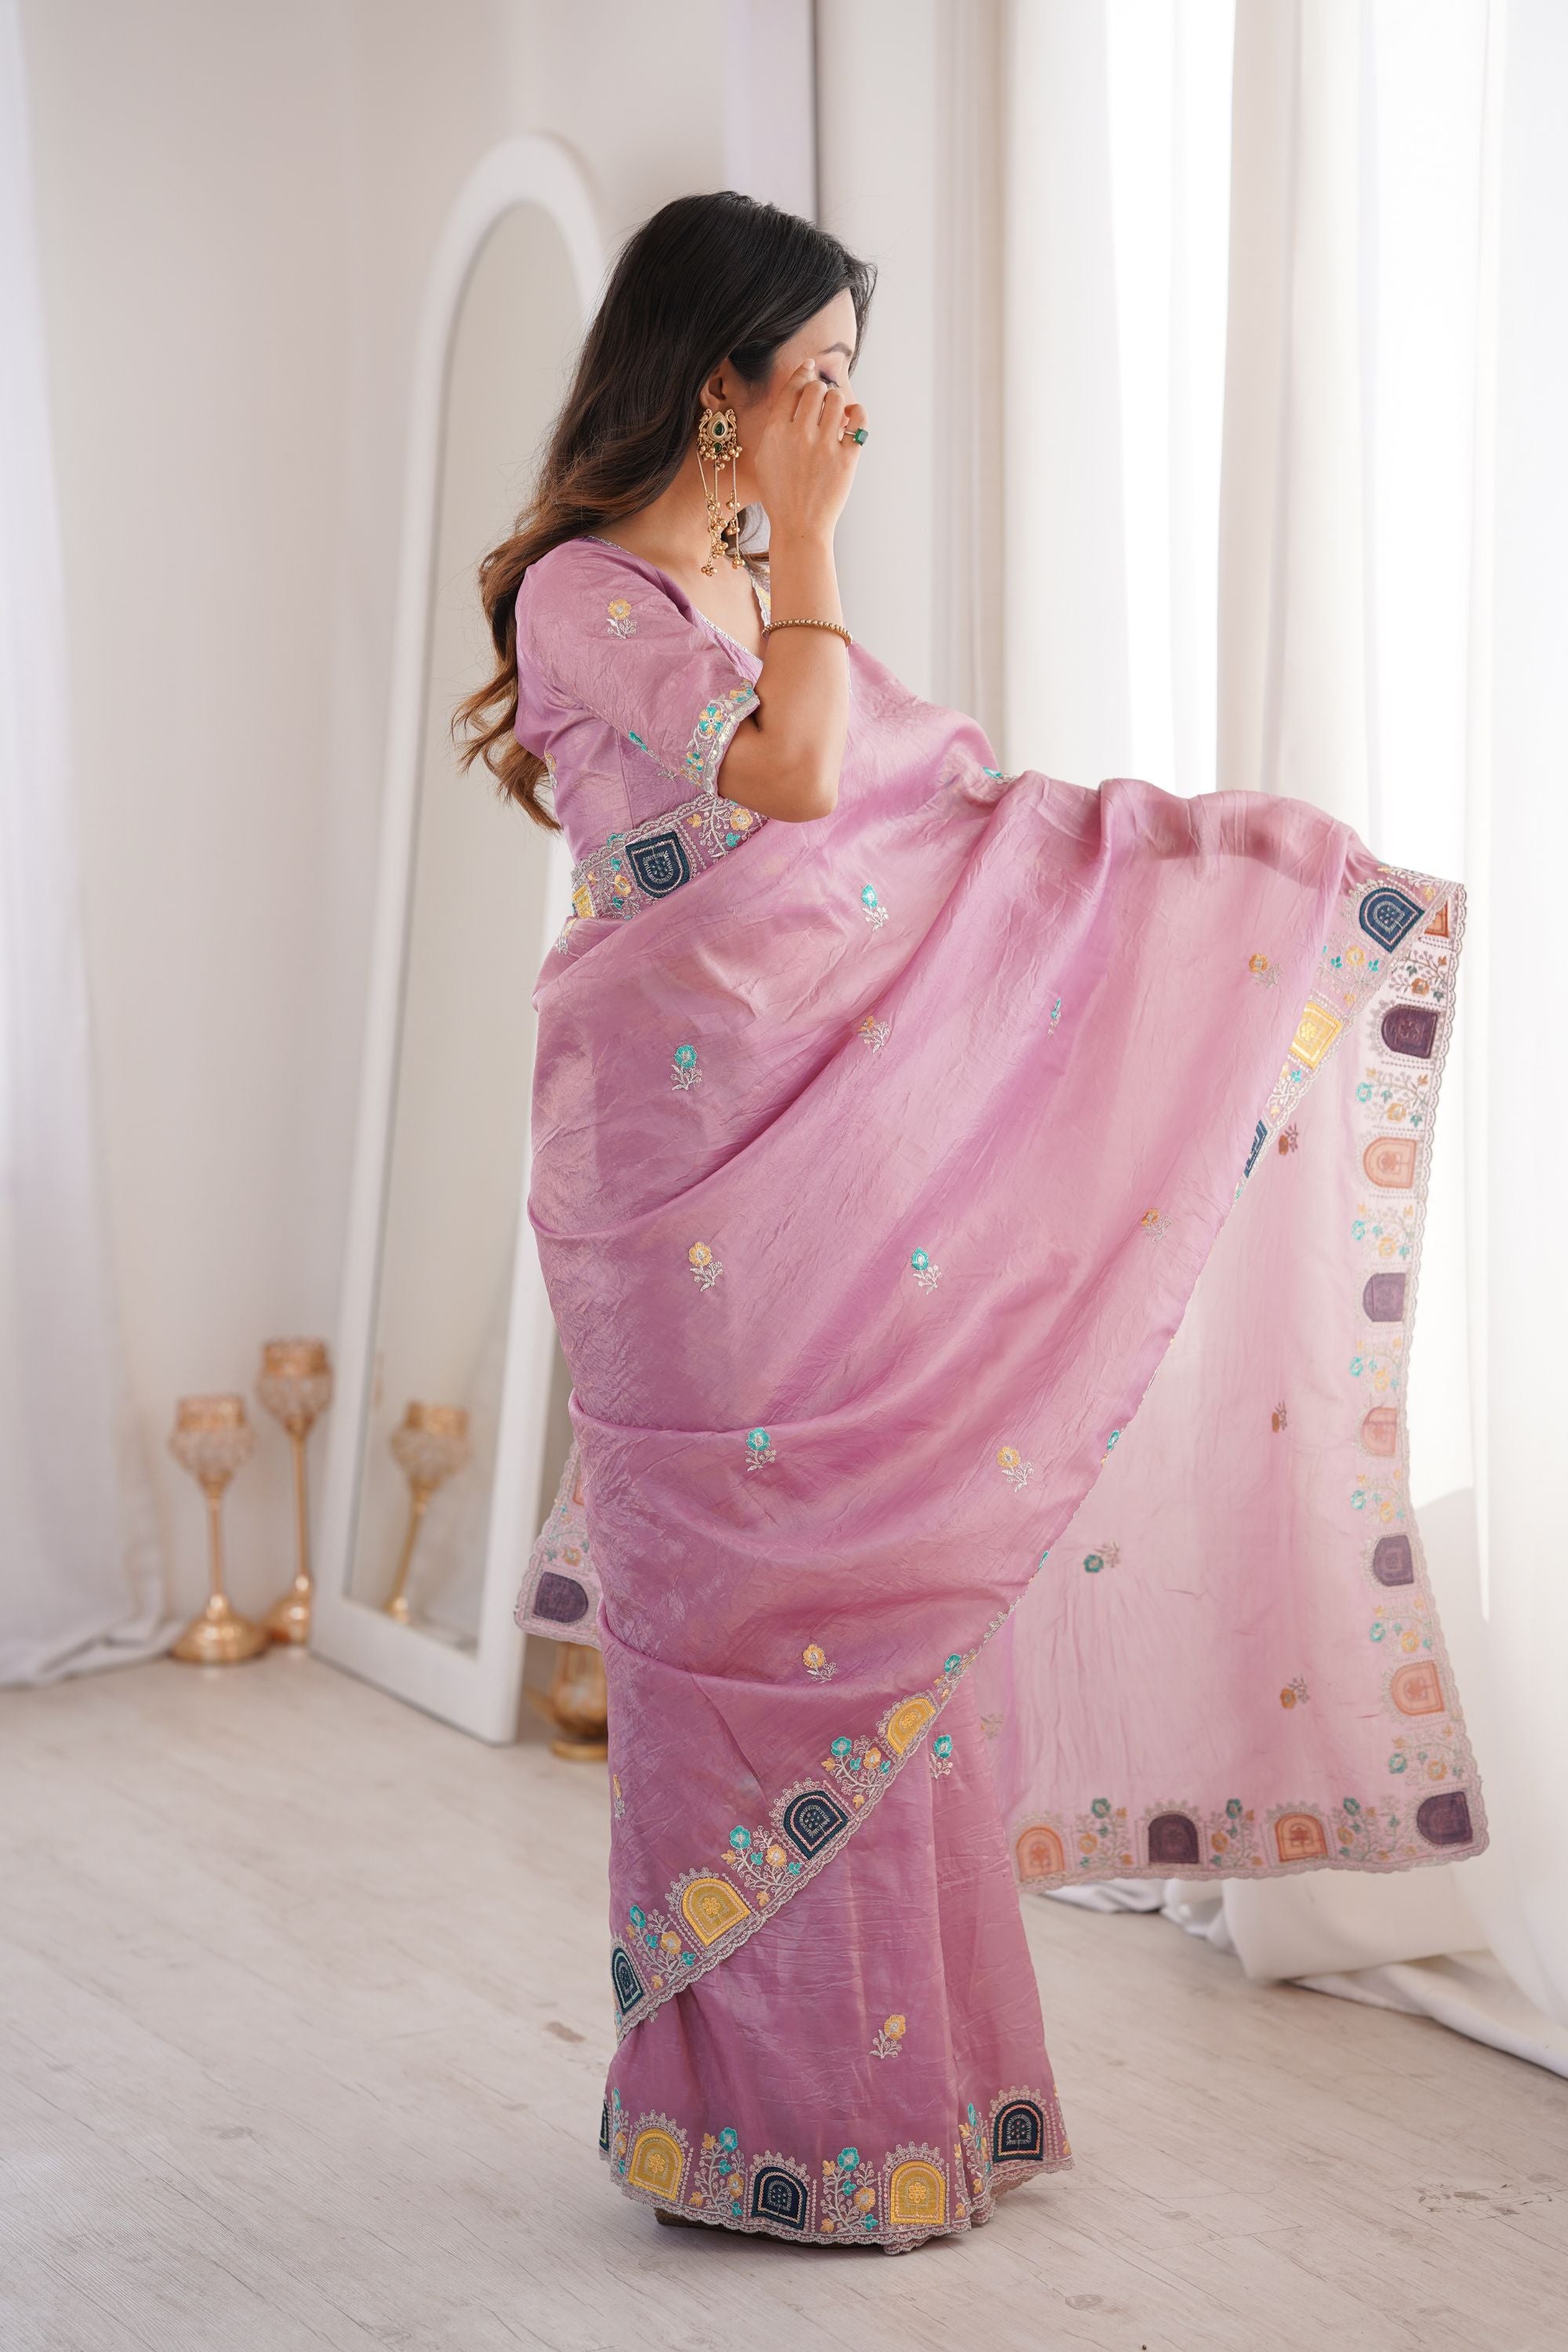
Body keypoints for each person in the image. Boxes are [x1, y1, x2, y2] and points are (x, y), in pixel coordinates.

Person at [459, 191, 1487, 2254]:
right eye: (820, 380)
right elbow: (797, 778)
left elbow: (954, 828)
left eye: (857, 384)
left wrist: (1214, 864)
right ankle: (762, 2133)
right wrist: (810, 543)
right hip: (680, 1193)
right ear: (718, 383)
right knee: (753, 1625)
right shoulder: (591, 593)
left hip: (829, 1180)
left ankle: (915, 2111)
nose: (848, 421)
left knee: (890, 1607)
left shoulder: (751, 594)